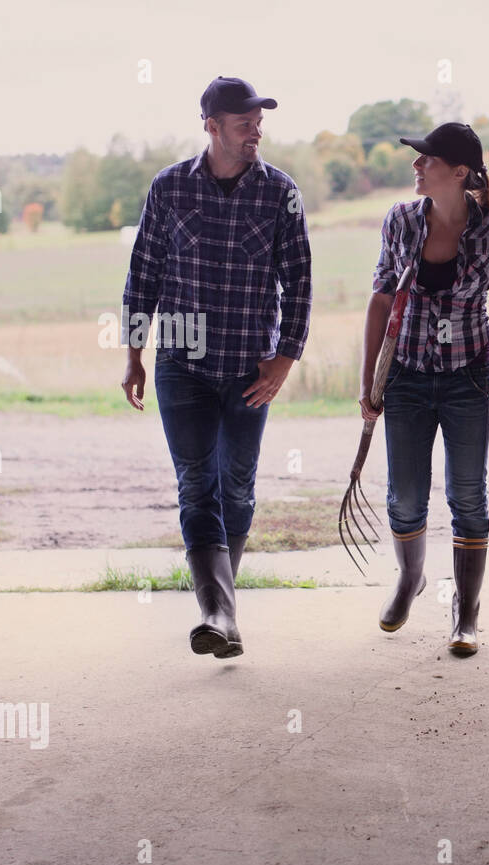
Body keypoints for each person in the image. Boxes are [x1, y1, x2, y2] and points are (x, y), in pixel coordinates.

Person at [120, 76, 312, 658]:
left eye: (259, 121)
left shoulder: (280, 192)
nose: (256, 129)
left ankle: (221, 609)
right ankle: (218, 613)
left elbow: (299, 280)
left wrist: (285, 357)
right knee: (196, 484)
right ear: (211, 125)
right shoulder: (170, 188)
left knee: (238, 486)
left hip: (251, 367)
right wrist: (134, 353)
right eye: (244, 121)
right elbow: (143, 273)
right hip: (182, 365)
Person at [360, 122, 489, 657]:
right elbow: (382, 300)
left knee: (467, 495)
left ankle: (466, 610)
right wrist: (370, 382)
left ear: (458, 173)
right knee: (405, 497)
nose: (416, 166)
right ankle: (410, 580)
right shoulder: (400, 222)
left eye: (426, 159)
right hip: (406, 376)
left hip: (469, 378)